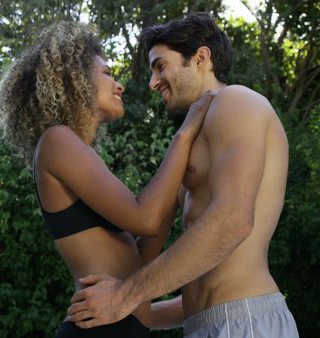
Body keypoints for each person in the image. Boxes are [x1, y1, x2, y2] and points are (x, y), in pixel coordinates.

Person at [67, 12, 300, 337]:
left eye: (160, 65)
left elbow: (232, 221)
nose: (152, 82)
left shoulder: (237, 102)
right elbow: (202, 287)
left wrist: (122, 297)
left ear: (201, 57)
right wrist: (110, 309)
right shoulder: (194, 137)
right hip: (208, 323)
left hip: (245, 321)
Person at [0, 21, 215, 337]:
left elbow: (139, 257)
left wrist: (180, 187)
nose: (119, 85)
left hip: (121, 325)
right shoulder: (57, 141)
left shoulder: (77, 153)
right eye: (108, 73)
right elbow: (146, 217)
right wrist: (186, 133)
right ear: (75, 81)